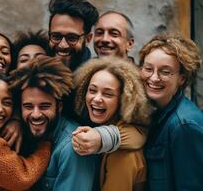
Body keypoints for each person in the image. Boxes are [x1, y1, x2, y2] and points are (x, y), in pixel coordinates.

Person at [9, 56, 100, 190]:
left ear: (59, 107)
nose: (35, 114)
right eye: (28, 106)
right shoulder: (21, 132)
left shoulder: (73, 147)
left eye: (44, 106)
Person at [73, 57, 152, 191]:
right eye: (92, 90)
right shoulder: (92, 124)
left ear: (124, 99)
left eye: (108, 94)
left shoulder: (124, 155)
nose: (97, 99)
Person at [139, 34, 203, 191]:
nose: (154, 78)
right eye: (148, 69)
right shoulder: (153, 112)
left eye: (165, 72)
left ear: (181, 78)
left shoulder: (184, 126)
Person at [48, 0, 98, 71]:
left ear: (88, 39)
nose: (62, 45)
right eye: (56, 37)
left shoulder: (97, 78)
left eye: (72, 38)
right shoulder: (36, 74)